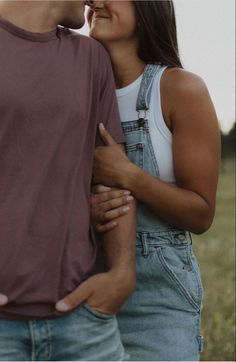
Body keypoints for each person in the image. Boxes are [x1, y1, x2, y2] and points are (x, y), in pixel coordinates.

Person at [0, 0, 136, 360]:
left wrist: (122, 273)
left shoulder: (91, 57)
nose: (93, 1)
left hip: (84, 323)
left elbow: (112, 172)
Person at [87, 1, 221, 361]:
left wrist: (128, 175)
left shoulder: (179, 89)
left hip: (158, 296)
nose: (93, 2)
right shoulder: (74, 91)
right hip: (83, 281)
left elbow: (201, 214)